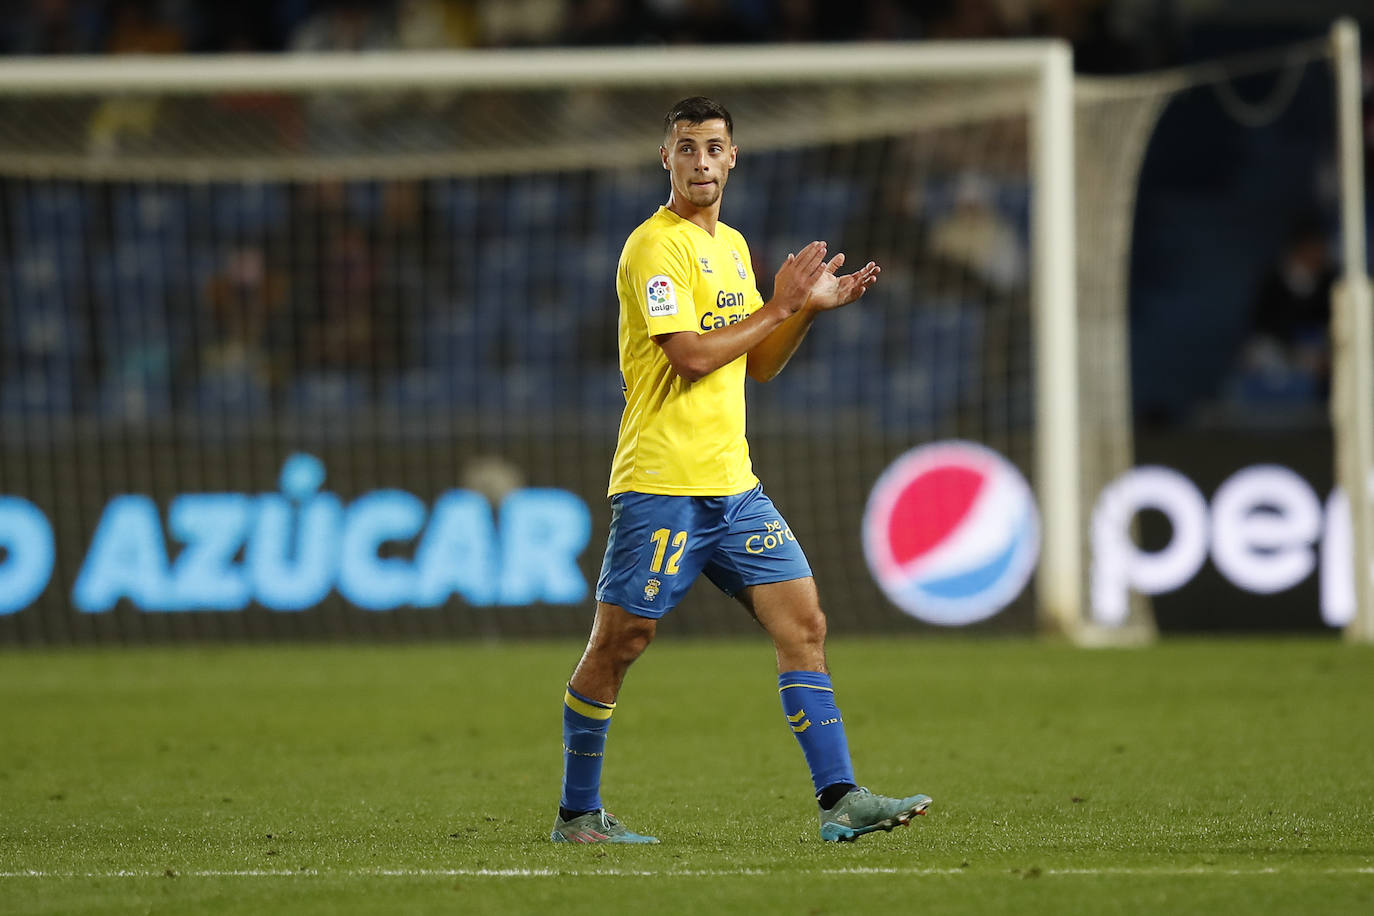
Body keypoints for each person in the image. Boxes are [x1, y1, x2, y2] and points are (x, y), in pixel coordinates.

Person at [551, 97, 931, 845]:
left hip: (734, 488)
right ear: (666, 159)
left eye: (713, 148)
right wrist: (780, 302)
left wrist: (806, 312)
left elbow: (757, 363)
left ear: (733, 159)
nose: (700, 161)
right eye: (686, 147)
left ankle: (839, 799)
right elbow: (691, 356)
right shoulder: (651, 248)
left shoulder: (732, 248)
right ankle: (577, 814)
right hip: (661, 483)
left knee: (805, 623)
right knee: (620, 643)